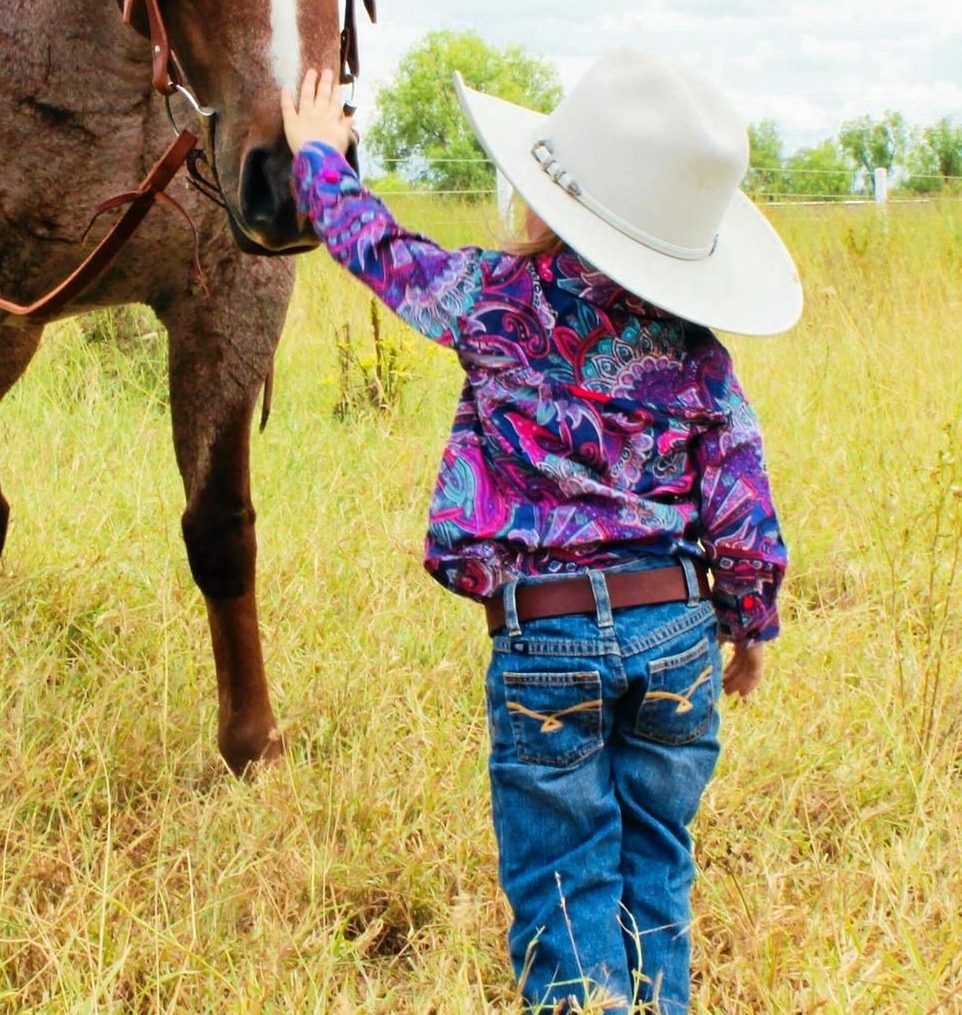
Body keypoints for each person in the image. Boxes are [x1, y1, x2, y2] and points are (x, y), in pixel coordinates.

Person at [281, 50, 802, 1014]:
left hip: (544, 636)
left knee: (563, 886)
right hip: (678, 634)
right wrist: (751, 622)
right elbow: (742, 503)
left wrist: (320, 156)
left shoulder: (496, 301)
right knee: (657, 876)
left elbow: (381, 251)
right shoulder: (700, 358)